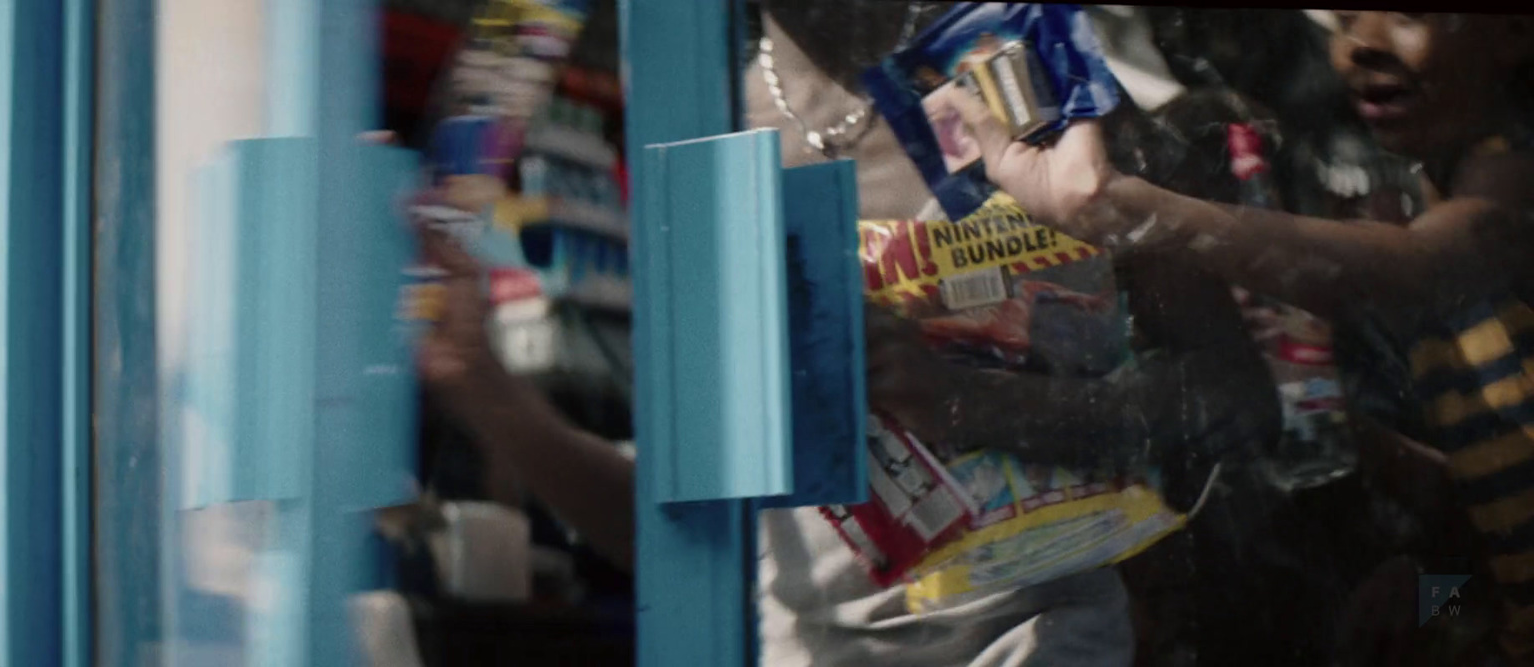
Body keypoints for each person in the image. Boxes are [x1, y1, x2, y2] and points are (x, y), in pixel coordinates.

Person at [416, 3, 1278, 666]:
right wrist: (485, 390)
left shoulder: (1035, 90)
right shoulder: (699, 130)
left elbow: (1235, 402)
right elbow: (692, 533)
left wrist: (976, 402)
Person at [944, 10, 1534, 664]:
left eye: (1406, 14)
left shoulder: (1509, 189)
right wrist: (1427, 596)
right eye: (1344, 19)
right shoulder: (1438, 189)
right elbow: (1497, 562)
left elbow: (1422, 274)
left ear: (1514, 30)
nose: (1361, 45)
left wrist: (1126, 209)